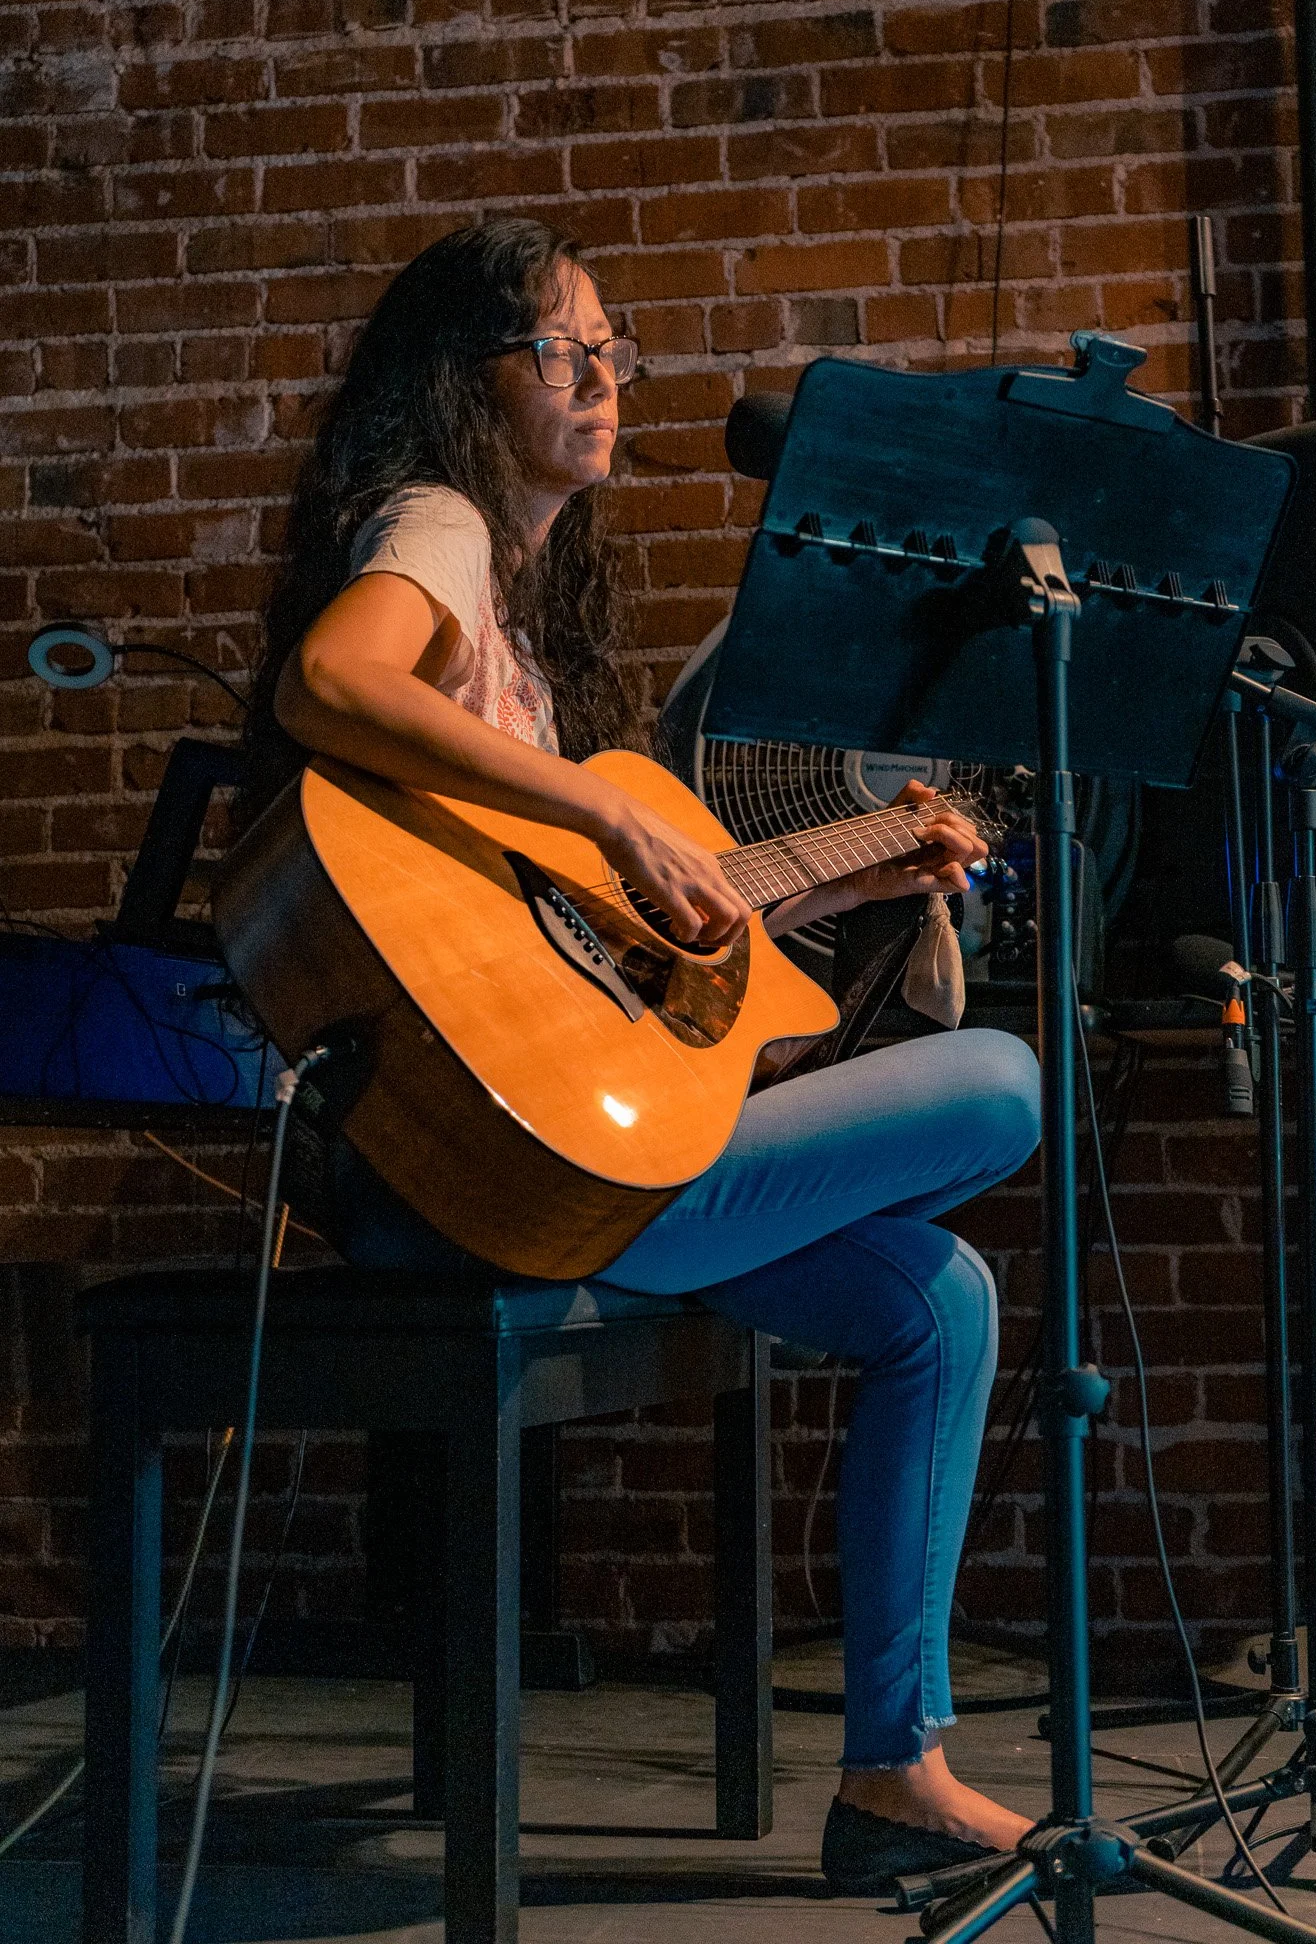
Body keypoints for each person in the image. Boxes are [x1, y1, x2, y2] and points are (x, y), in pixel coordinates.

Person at [243, 218, 1042, 1896]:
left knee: (941, 1300)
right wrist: (604, 799)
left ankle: (893, 1767)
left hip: (565, 1152)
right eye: (569, 351)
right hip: (497, 1178)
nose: (606, 380)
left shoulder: (518, 612)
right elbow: (335, 676)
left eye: (618, 352)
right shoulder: (438, 522)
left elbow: (596, 958)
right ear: (469, 384)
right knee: (997, 1085)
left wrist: (848, 869)